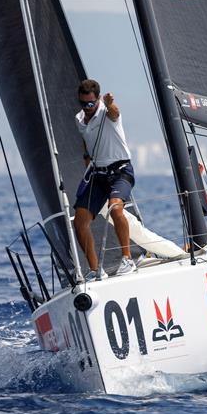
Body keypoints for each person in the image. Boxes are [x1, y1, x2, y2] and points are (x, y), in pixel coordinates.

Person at [73, 79, 136, 280]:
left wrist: (109, 104)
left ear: (98, 99)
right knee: (80, 220)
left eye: (91, 104)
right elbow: (85, 139)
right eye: (83, 104)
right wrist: (87, 160)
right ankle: (94, 269)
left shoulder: (107, 112)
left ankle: (128, 259)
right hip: (98, 174)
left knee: (115, 208)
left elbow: (115, 113)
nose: (88, 108)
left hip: (121, 171)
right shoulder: (80, 118)